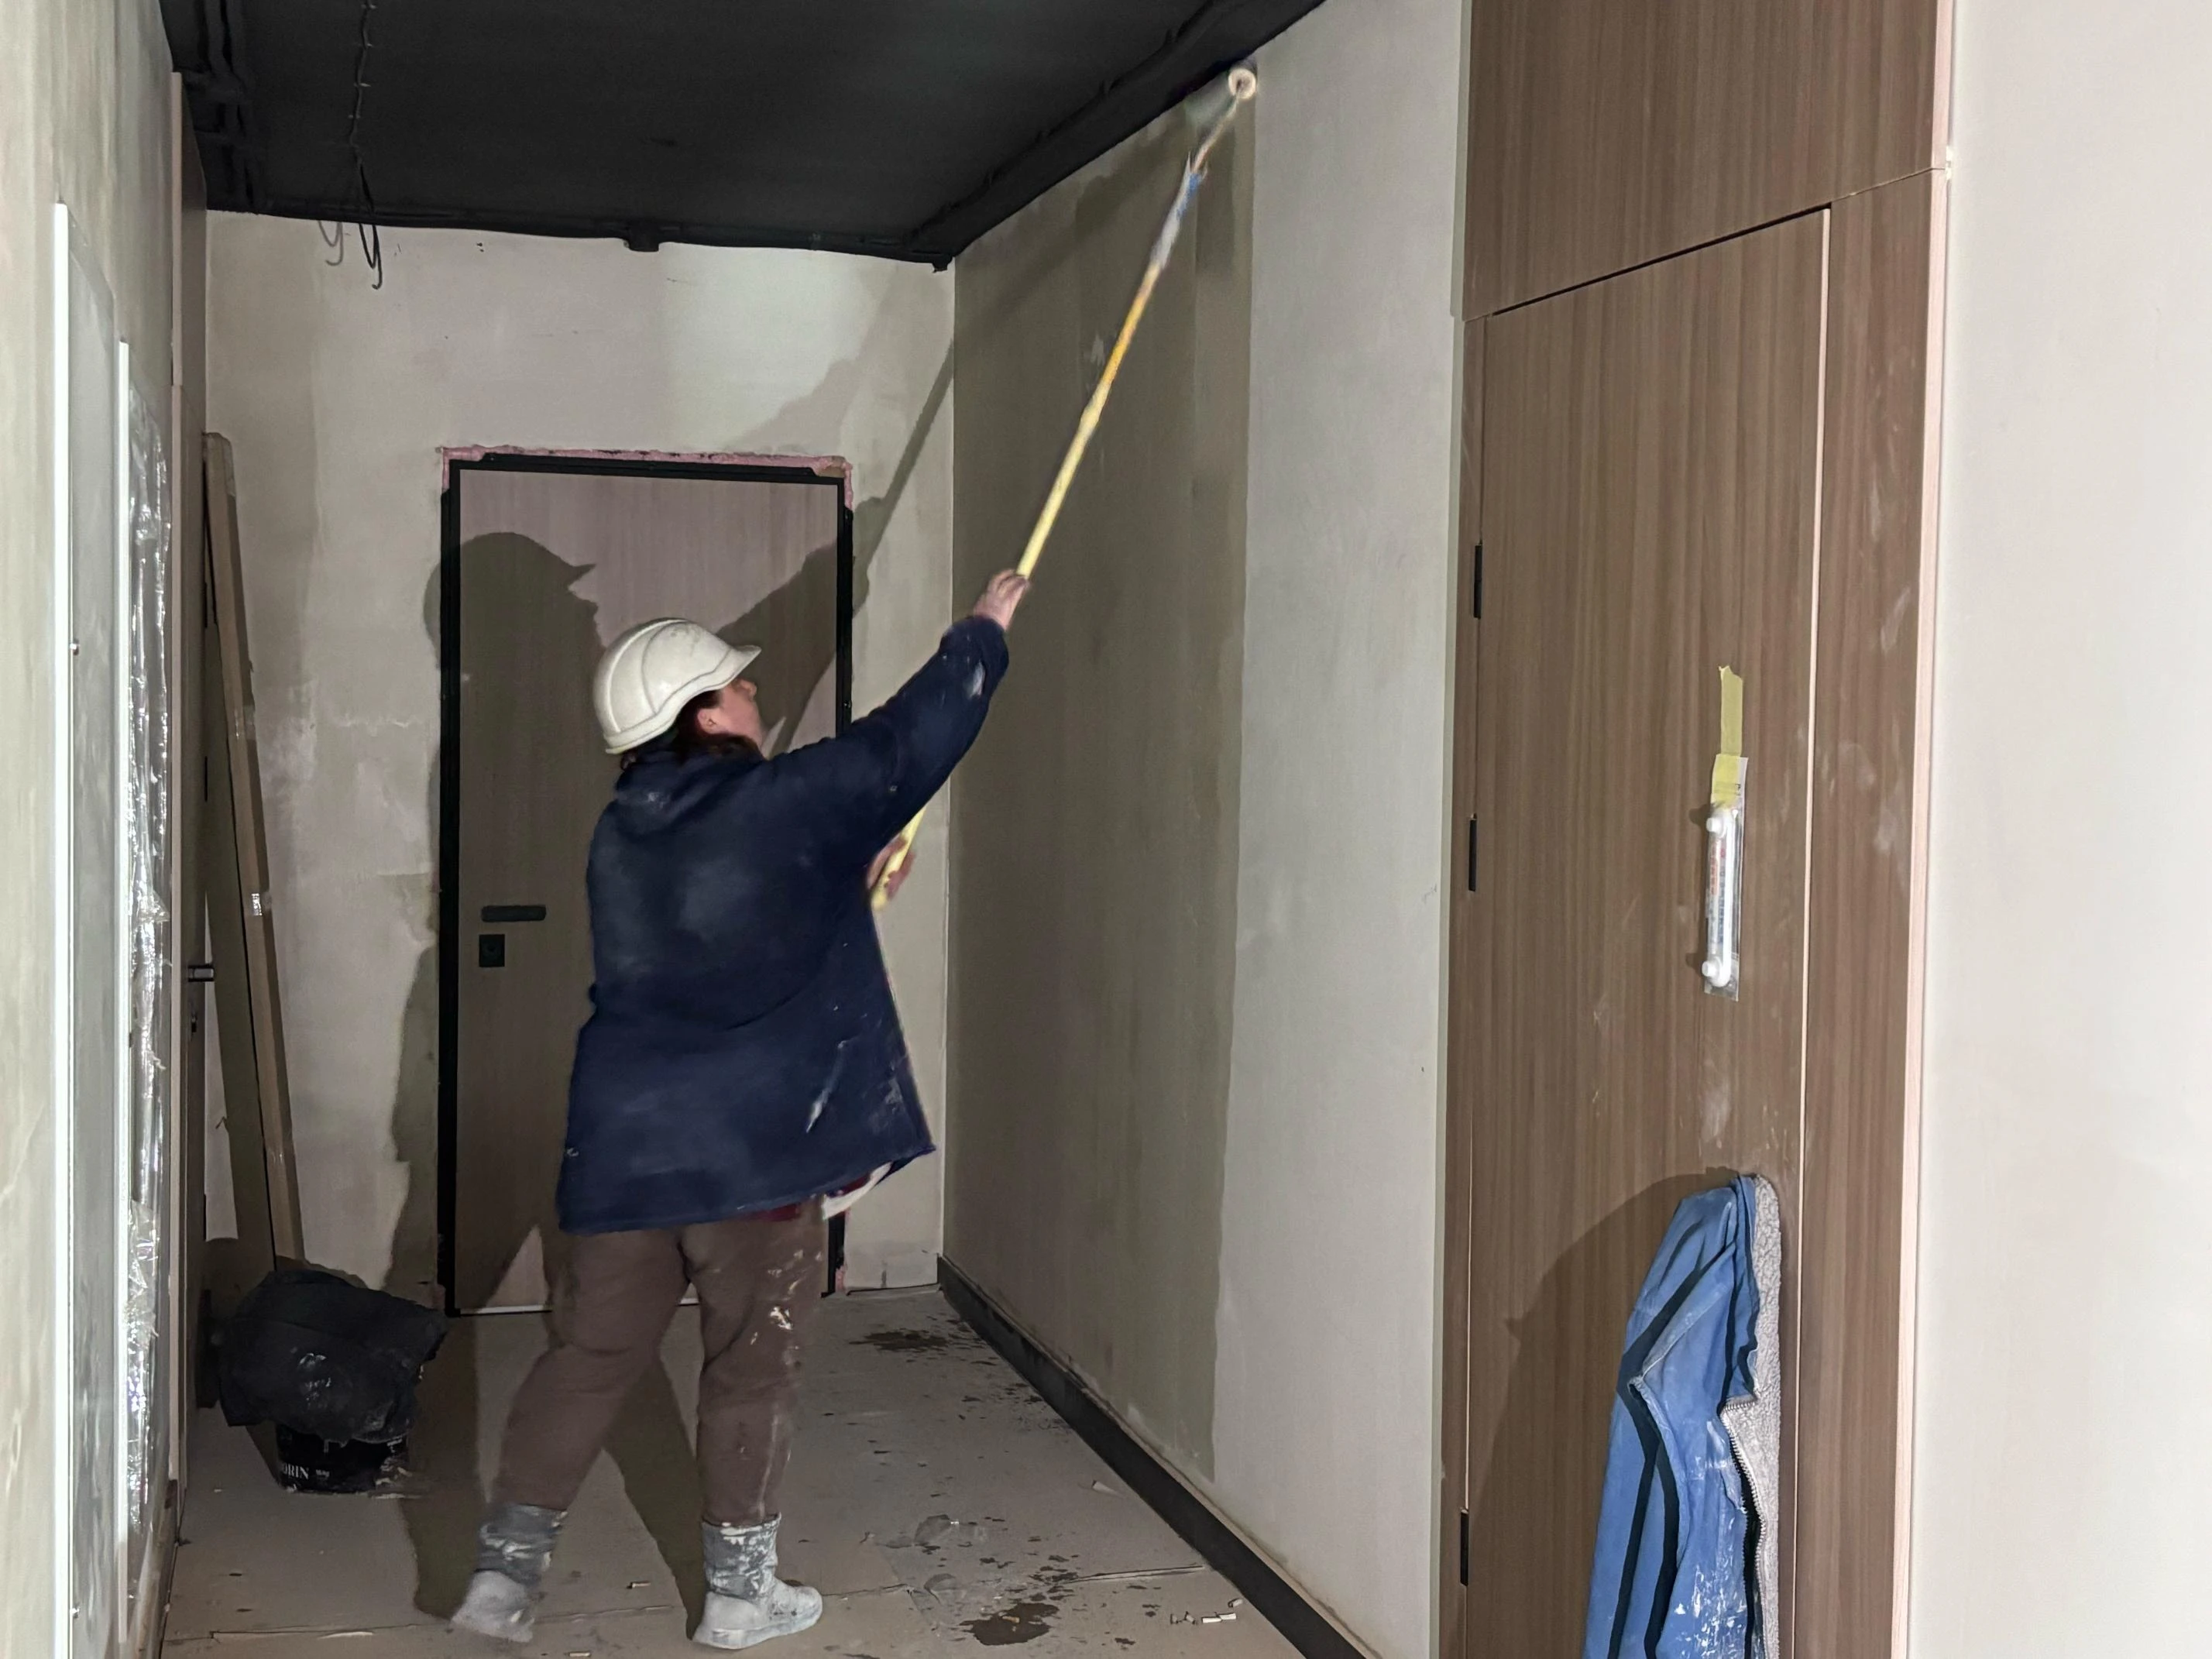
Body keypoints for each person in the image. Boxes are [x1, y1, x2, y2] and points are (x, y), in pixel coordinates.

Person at [452, 570, 1030, 1649]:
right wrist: (982, 636)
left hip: (624, 1153)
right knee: (751, 1365)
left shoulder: (621, 835)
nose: (756, 694)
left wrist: (838, 878)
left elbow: (729, 925)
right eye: (739, 685)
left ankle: (503, 1574)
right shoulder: (779, 804)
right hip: (751, 1159)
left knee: (588, 1357)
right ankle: (737, 1597)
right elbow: (903, 747)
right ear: (705, 716)